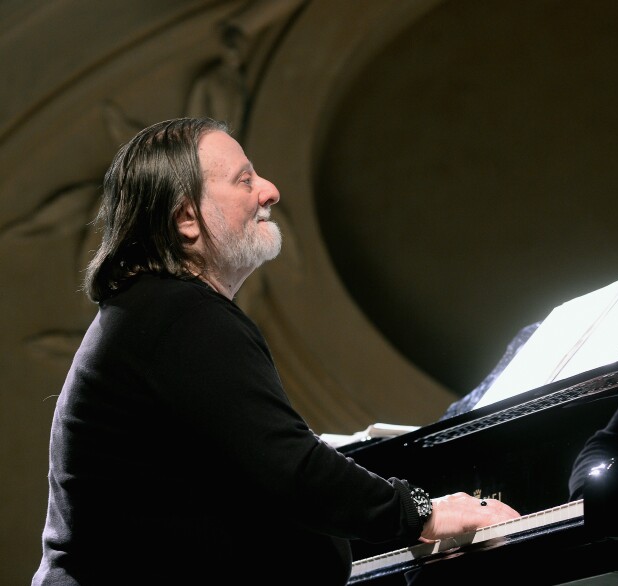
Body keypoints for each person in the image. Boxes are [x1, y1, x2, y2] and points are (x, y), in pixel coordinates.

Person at [32, 117, 520, 586]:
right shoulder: (177, 315)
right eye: (244, 180)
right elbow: (293, 469)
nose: (269, 190)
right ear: (185, 218)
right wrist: (423, 512)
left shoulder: (155, 313)